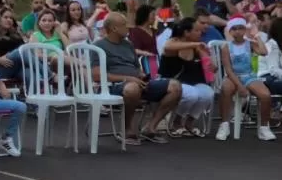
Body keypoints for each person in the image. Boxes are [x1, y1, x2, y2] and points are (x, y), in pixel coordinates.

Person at [91, 12, 181, 146]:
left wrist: (141, 75)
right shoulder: (99, 46)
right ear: (114, 28)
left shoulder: (128, 45)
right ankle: (127, 128)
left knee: (175, 86)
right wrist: (128, 79)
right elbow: (97, 75)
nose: (128, 27)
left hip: (137, 82)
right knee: (132, 88)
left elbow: (136, 67)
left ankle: (150, 127)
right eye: (124, 25)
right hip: (113, 86)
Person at [215, 17, 275, 141]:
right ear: (230, 31)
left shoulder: (250, 44)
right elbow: (228, 70)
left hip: (248, 75)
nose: (238, 31)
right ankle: (225, 124)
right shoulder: (226, 47)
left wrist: (256, 36)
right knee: (226, 89)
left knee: (265, 95)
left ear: (244, 30)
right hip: (232, 76)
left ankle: (264, 127)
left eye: (241, 28)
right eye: (234, 29)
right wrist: (240, 86)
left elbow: (263, 52)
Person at [160, 16, 215, 137]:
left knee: (208, 94)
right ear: (186, 32)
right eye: (197, 30)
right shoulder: (173, 42)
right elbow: (167, 47)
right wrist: (194, 44)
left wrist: (211, 65)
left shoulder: (197, 48)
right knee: (192, 94)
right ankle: (176, 122)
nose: (201, 33)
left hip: (193, 81)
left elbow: (209, 64)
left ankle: (189, 122)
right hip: (172, 82)